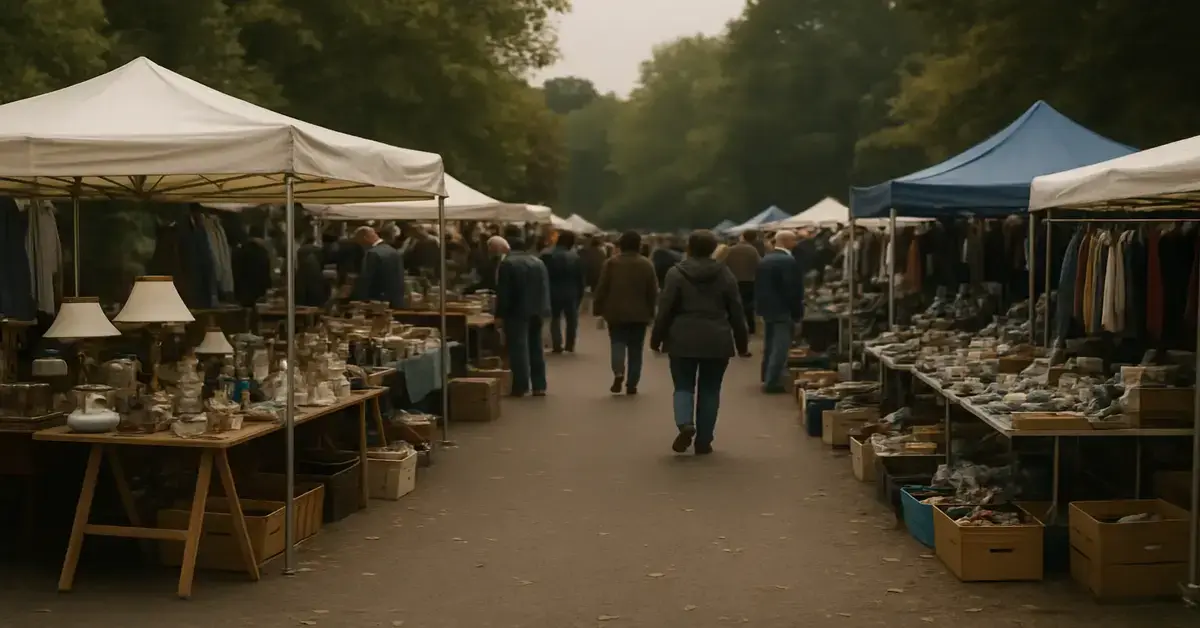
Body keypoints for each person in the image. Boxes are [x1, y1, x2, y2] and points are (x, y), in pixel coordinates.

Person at [650, 230, 750, 455]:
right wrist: (742, 343)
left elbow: (665, 309)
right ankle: (704, 440)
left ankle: (685, 423)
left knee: (683, 386)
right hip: (717, 338)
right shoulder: (725, 274)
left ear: (689, 248)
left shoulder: (676, 274)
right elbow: (736, 311)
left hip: (682, 337)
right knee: (710, 390)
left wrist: (656, 338)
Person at [593, 230, 658, 394]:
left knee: (617, 343)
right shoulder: (646, 264)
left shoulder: (611, 263)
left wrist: (598, 308)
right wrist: (652, 312)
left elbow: (602, 287)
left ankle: (618, 372)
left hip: (615, 312)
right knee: (636, 350)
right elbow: (652, 291)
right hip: (640, 313)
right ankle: (632, 383)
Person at [496, 227, 551, 397]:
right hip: (537, 309)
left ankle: (520, 385)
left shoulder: (507, 264)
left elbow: (504, 292)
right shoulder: (538, 262)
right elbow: (544, 287)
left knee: (519, 348)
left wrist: (500, 314)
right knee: (536, 347)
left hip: (516, 311)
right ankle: (539, 384)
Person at [756, 230, 805, 393]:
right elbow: (792, 289)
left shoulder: (765, 259)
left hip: (767, 308)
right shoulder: (788, 261)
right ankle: (772, 381)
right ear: (787, 241)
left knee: (769, 344)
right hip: (782, 308)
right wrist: (797, 313)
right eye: (794, 240)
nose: (796, 243)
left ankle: (766, 375)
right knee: (781, 346)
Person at [541, 230, 586, 353]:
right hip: (571, 292)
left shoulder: (547, 255)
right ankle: (570, 344)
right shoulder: (575, 257)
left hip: (553, 291)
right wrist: (580, 293)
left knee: (555, 319)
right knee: (572, 319)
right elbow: (580, 278)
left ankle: (557, 344)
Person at [351, 226, 406, 308]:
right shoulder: (394, 251)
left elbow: (366, 280)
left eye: (360, 242)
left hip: (377, 302)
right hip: (396, 300)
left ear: (365, 238)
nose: (361, 246)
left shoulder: (372, 253)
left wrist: (358, 300)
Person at [724, 230, 762, 336]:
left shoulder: (730, 250)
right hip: (749, 280)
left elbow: (723, 265)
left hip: (733, 280)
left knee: (733, 304)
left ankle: (734, 326)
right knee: (749, 305)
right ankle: (751, 327)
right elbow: (759, 265)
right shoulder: (752, 250)